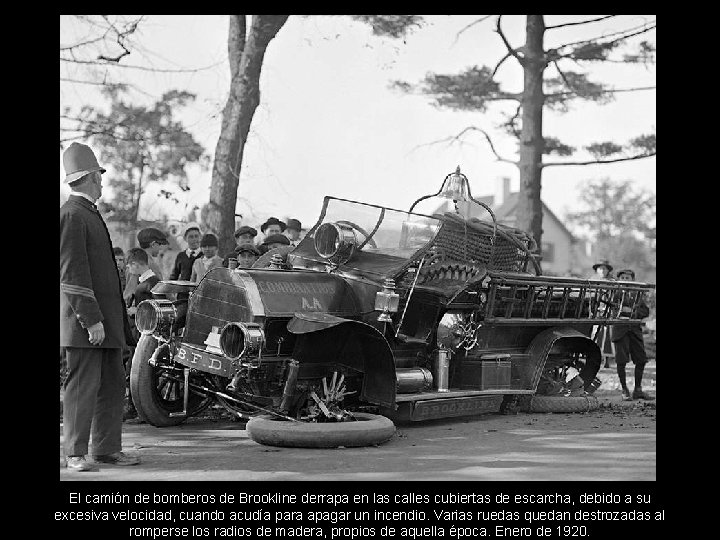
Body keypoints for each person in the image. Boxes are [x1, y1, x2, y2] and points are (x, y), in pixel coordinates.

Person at [60, 142, 140, 471]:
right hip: (87, 323)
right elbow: (72, 273)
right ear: (92, 177)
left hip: (104, 321)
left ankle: (107, 449)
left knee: (111, 382)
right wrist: (91, 320)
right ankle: (75, 453)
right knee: (82, 386)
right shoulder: (72, 215)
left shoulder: (87, 213)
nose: (103, 182)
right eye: (100, 176)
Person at [611, 269, 654, 401]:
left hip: (635, 330)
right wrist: (623, 311)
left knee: (641, 360)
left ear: (632, 280)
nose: (625, 280)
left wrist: (633, 312)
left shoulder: (638, 294)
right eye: (622, 278)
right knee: (621, 361)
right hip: (620, 330)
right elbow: (611, 309)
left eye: (627, 278)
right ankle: (624, 390)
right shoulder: (614, 293)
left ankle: (638, 389)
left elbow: (645, 311)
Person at [124, 227, 168, 306]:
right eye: (160, 244)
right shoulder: (146, 262)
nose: (161, 248)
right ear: (153, 244)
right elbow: (130, 291)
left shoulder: (135, 258)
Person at [591, 259, 615, 367]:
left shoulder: (612, 282)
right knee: (596, 334)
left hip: (608, 311)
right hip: (596, 311)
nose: (602, 270)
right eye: (600, 268)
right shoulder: (592, 281)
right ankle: (595, 358)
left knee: (607, 335)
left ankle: (607, 359)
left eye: (604, 268)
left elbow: (615, 297)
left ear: (608, 270)